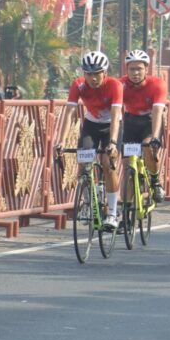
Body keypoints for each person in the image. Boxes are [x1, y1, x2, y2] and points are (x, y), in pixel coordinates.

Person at [66, 51, 124, 231]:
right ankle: (86, 202)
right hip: (91, 124)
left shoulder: (115, 85)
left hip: (111, 126)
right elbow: (69, 113)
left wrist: (113, 143)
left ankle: (113, 213)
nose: (92, 78)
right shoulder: (78, 85)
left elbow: (115, 115)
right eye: (88, 74)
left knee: (107, 163)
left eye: (96, 73)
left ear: (104, 73)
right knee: (83, 161)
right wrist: (59, 141)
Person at [119, 50, 168, 204]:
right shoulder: (121, 84)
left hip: (150, 121)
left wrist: (155, 137)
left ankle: (155, 181)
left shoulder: (157, 84)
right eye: (132, 69)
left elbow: (158, 111)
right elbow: (113, 109)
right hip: (131, 122)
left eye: (139, 69)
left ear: (147, 69)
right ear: (127, 70)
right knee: (128, 168)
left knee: (148, 146)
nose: (136, 73)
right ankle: (126, 214)